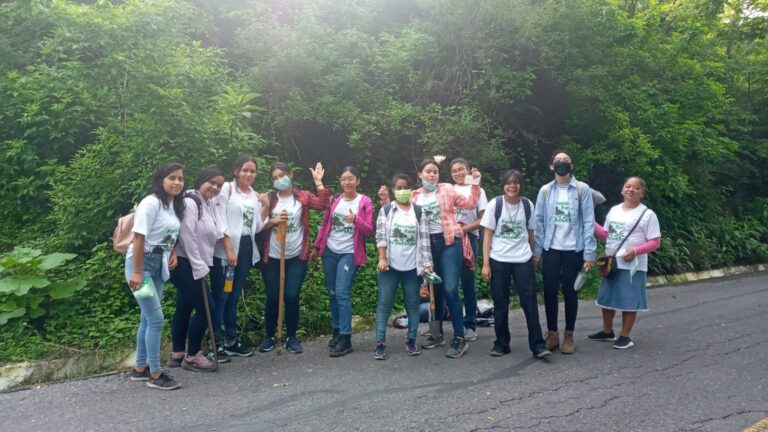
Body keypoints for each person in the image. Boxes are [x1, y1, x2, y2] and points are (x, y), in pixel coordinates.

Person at [378, 157, 482, 358]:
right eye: (428, 172)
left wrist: (475, 182)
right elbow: (397, 213)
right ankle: (437, 334)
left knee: (450, 289)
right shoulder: (414, 196)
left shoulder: (447, 189)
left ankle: (459, 337)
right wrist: (384, 200)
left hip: (449, 242)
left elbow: (470, 203)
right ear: (420, 175)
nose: (432, 175)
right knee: (436, 290)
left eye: (435, 172)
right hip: (426, 245)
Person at [258, 161, 329, 354]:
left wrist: (318, 182)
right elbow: (257, 225)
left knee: (291, 295)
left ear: (290, 174)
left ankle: (291, 337)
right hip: (272, 256)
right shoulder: (269, 198)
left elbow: (324, 204)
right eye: (275, 178)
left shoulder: (303, 197)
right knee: (273, 296)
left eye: (282, 175)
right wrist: (273, 221)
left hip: (297, 255)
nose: (279, 180)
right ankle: (269, 336)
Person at [125, 162, 184, 390]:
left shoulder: (172, 205)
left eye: (180, 178)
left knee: (147, 318)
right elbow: (139, 237)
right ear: (161, 180)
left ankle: (140, 368)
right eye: (172, 178)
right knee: (156, 319)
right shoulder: (151, 203)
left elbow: (168, 234)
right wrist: (137, 272)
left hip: (159, 265)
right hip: (141, 264)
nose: (177, 182)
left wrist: (173, 252)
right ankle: (156, 374)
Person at [480, 170, 551, 359]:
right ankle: (501, 344)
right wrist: (486, 264)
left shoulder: (527, 205)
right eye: (509, 183)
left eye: (516, 183)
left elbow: (531, 233)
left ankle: (537, 345)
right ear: (503, 185)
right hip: (499, 259)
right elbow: (487, 236)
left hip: (522, 259)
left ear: (521, 185)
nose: (512, 186)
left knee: (530, 302)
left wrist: (534, 255)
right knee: (500, 303)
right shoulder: (495, 204)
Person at [533, 150, 596, 354]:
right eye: (558, 161)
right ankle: (552, 334)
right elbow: (539, 222)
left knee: (571, 291)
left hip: (573, 249)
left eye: (566, 160)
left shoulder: (582, 189)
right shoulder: (545, 191)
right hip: (551, 248)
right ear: (551, 166)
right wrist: (537, 252)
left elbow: (589, 221)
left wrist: (589, 253)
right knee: (550, 291)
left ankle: (569, 335)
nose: (562, 163)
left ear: (572, 165)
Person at [589, 177, 661, 349]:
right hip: (611, 262)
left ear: (642, 193)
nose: (631, 190)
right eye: (628, 186)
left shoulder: (647, 214)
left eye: (636, 188)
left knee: (629, 299)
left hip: (633, 265)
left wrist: (635, 251)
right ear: (622, 190)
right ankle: (607, 331)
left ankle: (625, 335)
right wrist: (589, 221)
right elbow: (606, 235)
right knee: (607, 297)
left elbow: (655, 241)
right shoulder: (614, 210)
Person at [311, 166, 374, 357]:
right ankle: (337, 331)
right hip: (330, 251)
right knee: (332, 293)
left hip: (349, 253)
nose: (347, 182)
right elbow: (325, 224)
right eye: (343, 179)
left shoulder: (365, 202)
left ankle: (346, 338)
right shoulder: (334, 200)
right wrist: (317, 247)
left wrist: (356, 219)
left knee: (342, 293)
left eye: (351, 178)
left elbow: (369, 230)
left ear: (358, 181)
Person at [166, 169, 225, 373]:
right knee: (206, 308)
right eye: (212, 182)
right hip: (185, 263)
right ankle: (192, 356)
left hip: (194, 263)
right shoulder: (191, 202)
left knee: (184, 307)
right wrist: (198, 264)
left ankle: (177, 354)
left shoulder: (207, 204)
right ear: (201, 181)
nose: (215, 187)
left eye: (219, 185)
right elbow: (186, 235)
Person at [211, 156, 268, 361]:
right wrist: (229, 250)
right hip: (225, 251)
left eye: (252, 171)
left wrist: (265, 206)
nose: (249, 174)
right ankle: (215, 345)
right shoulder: (226, 189)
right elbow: (218, 221)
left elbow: (257, 227)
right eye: (245, 170)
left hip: (245, 249)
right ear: (236, 171)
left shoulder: (253, 195)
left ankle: (231, 342)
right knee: (221, 297)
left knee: (234, 296)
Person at [373, 174, 433, 360]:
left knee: (413, 305)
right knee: (384, 304)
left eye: (406, 187)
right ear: (393, 190)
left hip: (412, 268)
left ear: (411, 189)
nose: (402, 191)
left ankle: (411, 340)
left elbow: (425, 240)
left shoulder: (419, 212)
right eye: (398, 188)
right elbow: (380, 236)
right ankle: (380, 343)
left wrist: (428, 265)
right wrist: (382, 258)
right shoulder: (386, 210)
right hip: (389, 267)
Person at [450, 158, 488, 341]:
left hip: (470, 237)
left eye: (461, 169)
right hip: (450, 238)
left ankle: (470, 324)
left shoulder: (478, 189)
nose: (458, 173)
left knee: (468, 282)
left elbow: (484, 219)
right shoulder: (448, 190)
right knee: (450, 283)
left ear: (467, 170)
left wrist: (464, 230)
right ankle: (455, 324)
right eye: (454, 170)